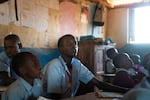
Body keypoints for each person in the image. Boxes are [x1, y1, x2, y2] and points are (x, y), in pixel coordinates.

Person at [42, 34, 128, 99]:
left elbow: (97, 83)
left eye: (75, 44)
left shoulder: (76, 64)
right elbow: (53, 97)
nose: (74, 47)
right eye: (69, 44)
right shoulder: (54, 66)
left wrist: (125, 90)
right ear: (60, 48)